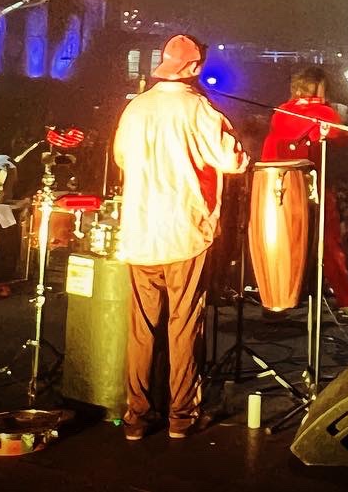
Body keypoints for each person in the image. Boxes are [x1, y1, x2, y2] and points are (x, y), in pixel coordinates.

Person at [113, 35, 248, 442]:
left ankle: (136, 417)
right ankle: (181, 416)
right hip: (184, 233)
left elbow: (121, 158)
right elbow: (233, 161)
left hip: (140, 232)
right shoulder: (198, 109)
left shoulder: (135, 107)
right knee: (184, 324)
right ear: (193, 67)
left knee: (141, 328)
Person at [261, 66, 348, 322]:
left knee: (282, 242)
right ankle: (346, 300)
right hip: (313, 184)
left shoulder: (281, 112)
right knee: (328, 243)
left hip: (281, 187)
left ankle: (277, 296)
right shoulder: (323, 113)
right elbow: (341, 137)